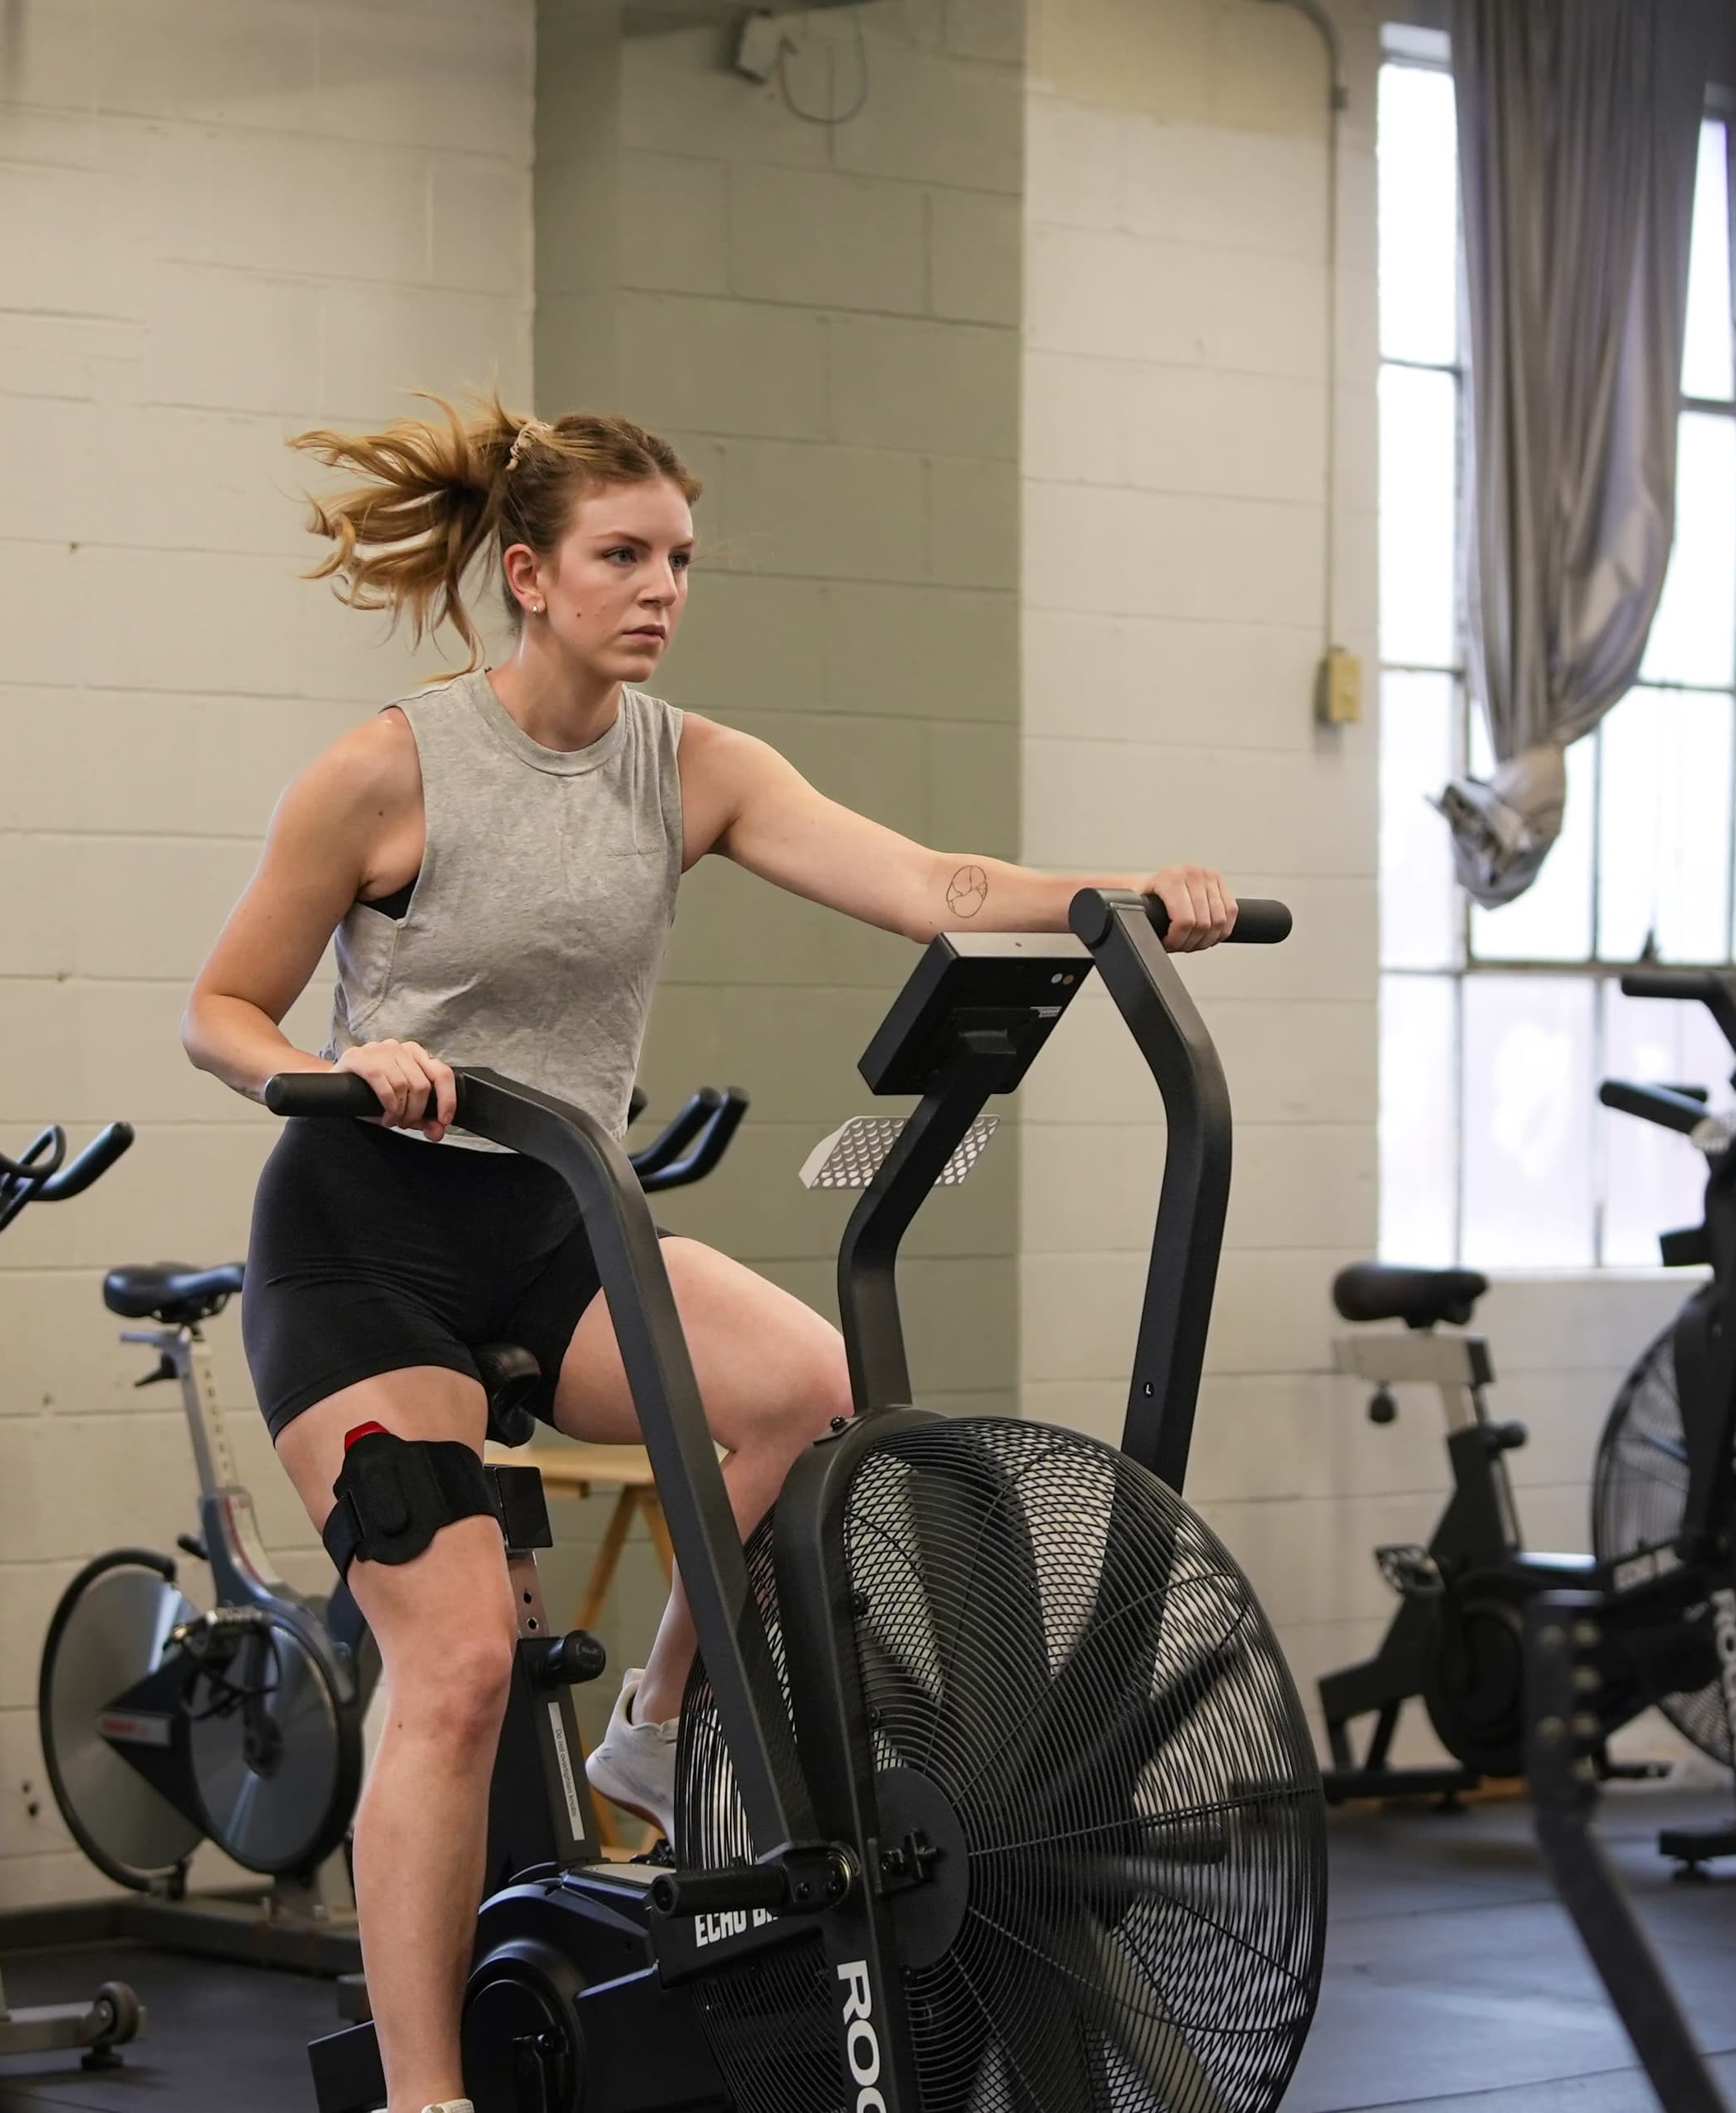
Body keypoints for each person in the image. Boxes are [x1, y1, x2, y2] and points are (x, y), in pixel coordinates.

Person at [181, 395, 1241, 2113]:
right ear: (531, 574)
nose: (662, 588)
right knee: (456, 1664)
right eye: (623, 555)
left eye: (679, 558)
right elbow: (220, 1008)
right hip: (364, 1241)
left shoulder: (694, 767)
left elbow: (934, 885)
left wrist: (1127, 896)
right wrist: (338, 1061)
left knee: (806, 1388)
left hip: (557, 1217)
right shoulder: (388, 770)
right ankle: (426, 2097)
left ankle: (657, 1725)